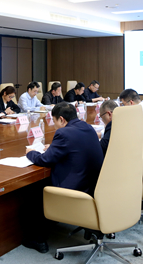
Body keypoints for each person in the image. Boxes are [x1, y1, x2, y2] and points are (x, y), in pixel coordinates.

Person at [23, 102, 103, 253]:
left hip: (75, 189)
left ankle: (38, 239)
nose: (54, 126)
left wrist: (31, 152)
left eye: (54, 121)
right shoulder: (87, 127)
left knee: (33, 189)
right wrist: (54, 148)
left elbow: (45, 160)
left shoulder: (63, 133)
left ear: (61, 119)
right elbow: (74, 147)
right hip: (92, 185)